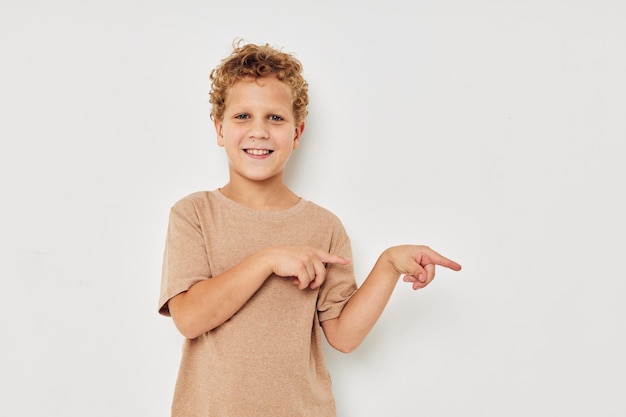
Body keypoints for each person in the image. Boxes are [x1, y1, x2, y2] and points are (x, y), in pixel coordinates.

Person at [158, 40, 462, 417]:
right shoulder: (194, 214)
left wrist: (387, 265)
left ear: (297, 133)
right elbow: (189, 319)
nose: (259, 131)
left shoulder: (323, 226)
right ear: (219, 129)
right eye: (242, 117)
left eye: (275, 118)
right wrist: (268, 259)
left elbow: (344, 336)